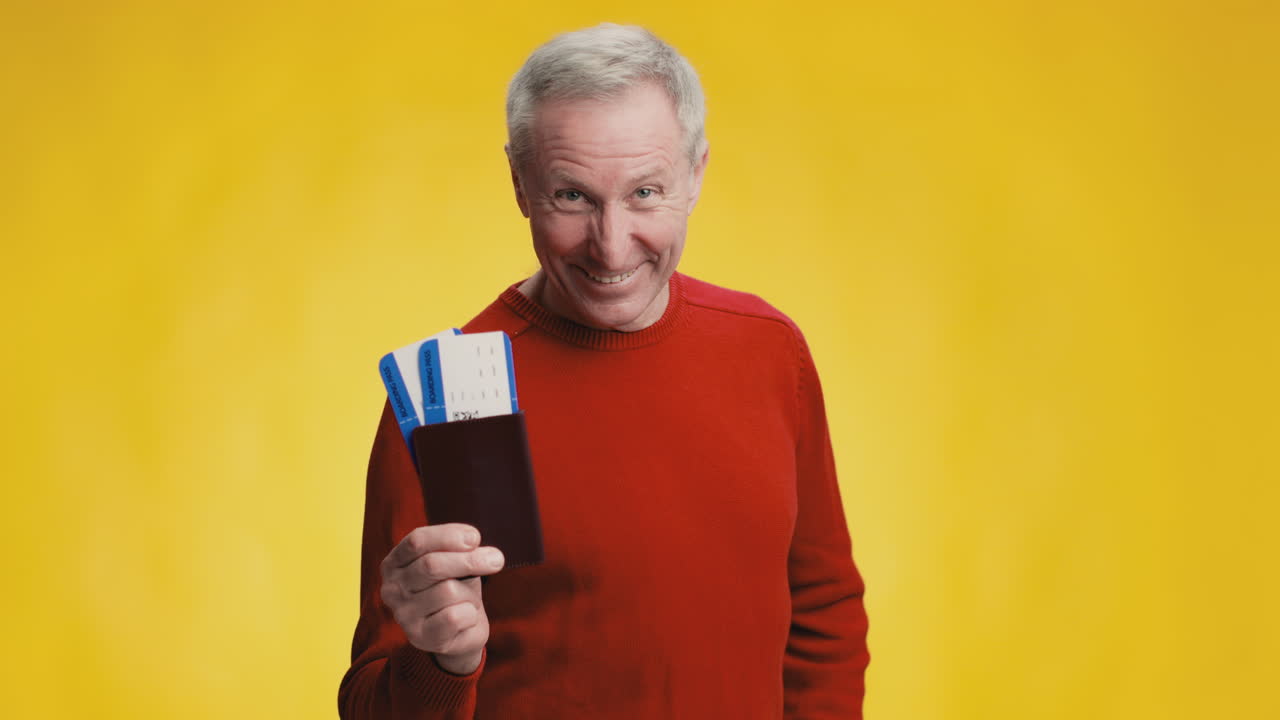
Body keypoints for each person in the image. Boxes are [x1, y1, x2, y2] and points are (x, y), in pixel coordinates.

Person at [338, 23, 869, 719]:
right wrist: (442, 662)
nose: (612, 247)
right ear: (520, 183)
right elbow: (371, 705)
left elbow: (824, 613)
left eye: (645, 192)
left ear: (696, 174)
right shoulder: (443, 398)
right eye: (572, 196)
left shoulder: (769, 350)